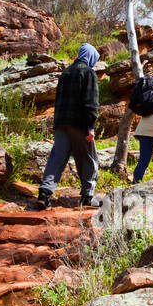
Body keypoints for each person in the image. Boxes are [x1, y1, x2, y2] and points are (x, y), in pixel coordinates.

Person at [33, 43, 101, 210]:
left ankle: (44, 194)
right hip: (79, 124)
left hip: (61, 123)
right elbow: (91, 102)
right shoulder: (88, 72)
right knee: (88, 159)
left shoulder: (66, 72)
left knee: (57, 158)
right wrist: (91, 126)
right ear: (90, 56)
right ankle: (87, 196)